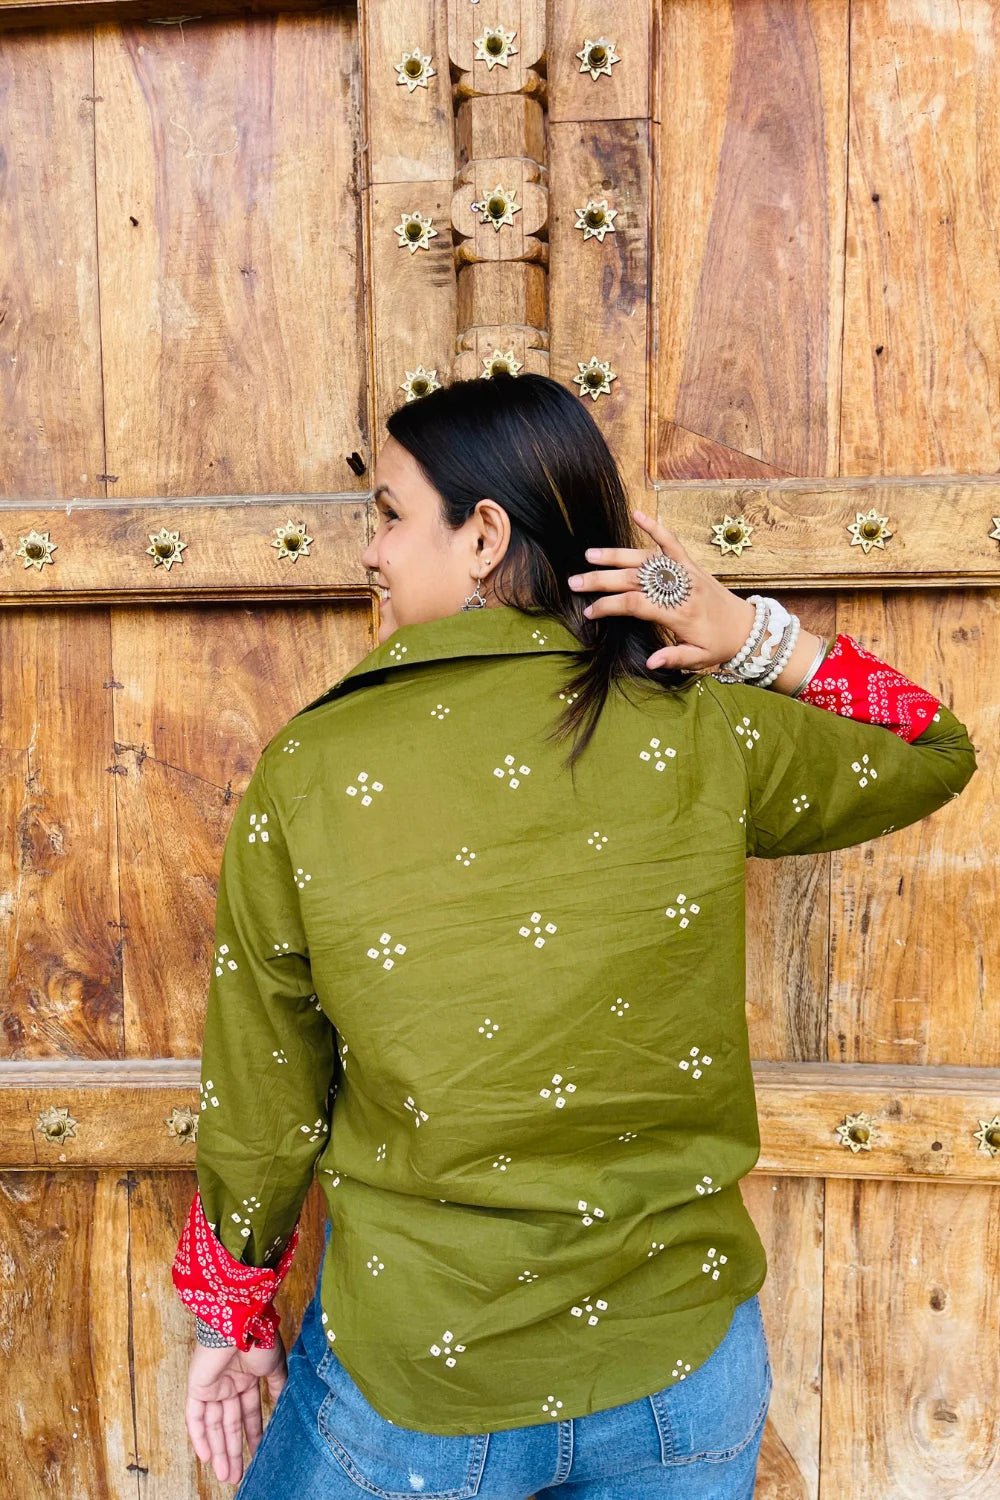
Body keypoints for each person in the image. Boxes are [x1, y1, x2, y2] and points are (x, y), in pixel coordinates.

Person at [171, 373, 977, 1498]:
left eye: (391, 516)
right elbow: (930, 746)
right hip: (681, 1373)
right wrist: (746, 635)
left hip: (426, 1375)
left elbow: (266, 1090)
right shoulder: (698, 728)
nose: (370, 552)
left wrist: (233, 1315)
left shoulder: (311, 770)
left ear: (483, 535)